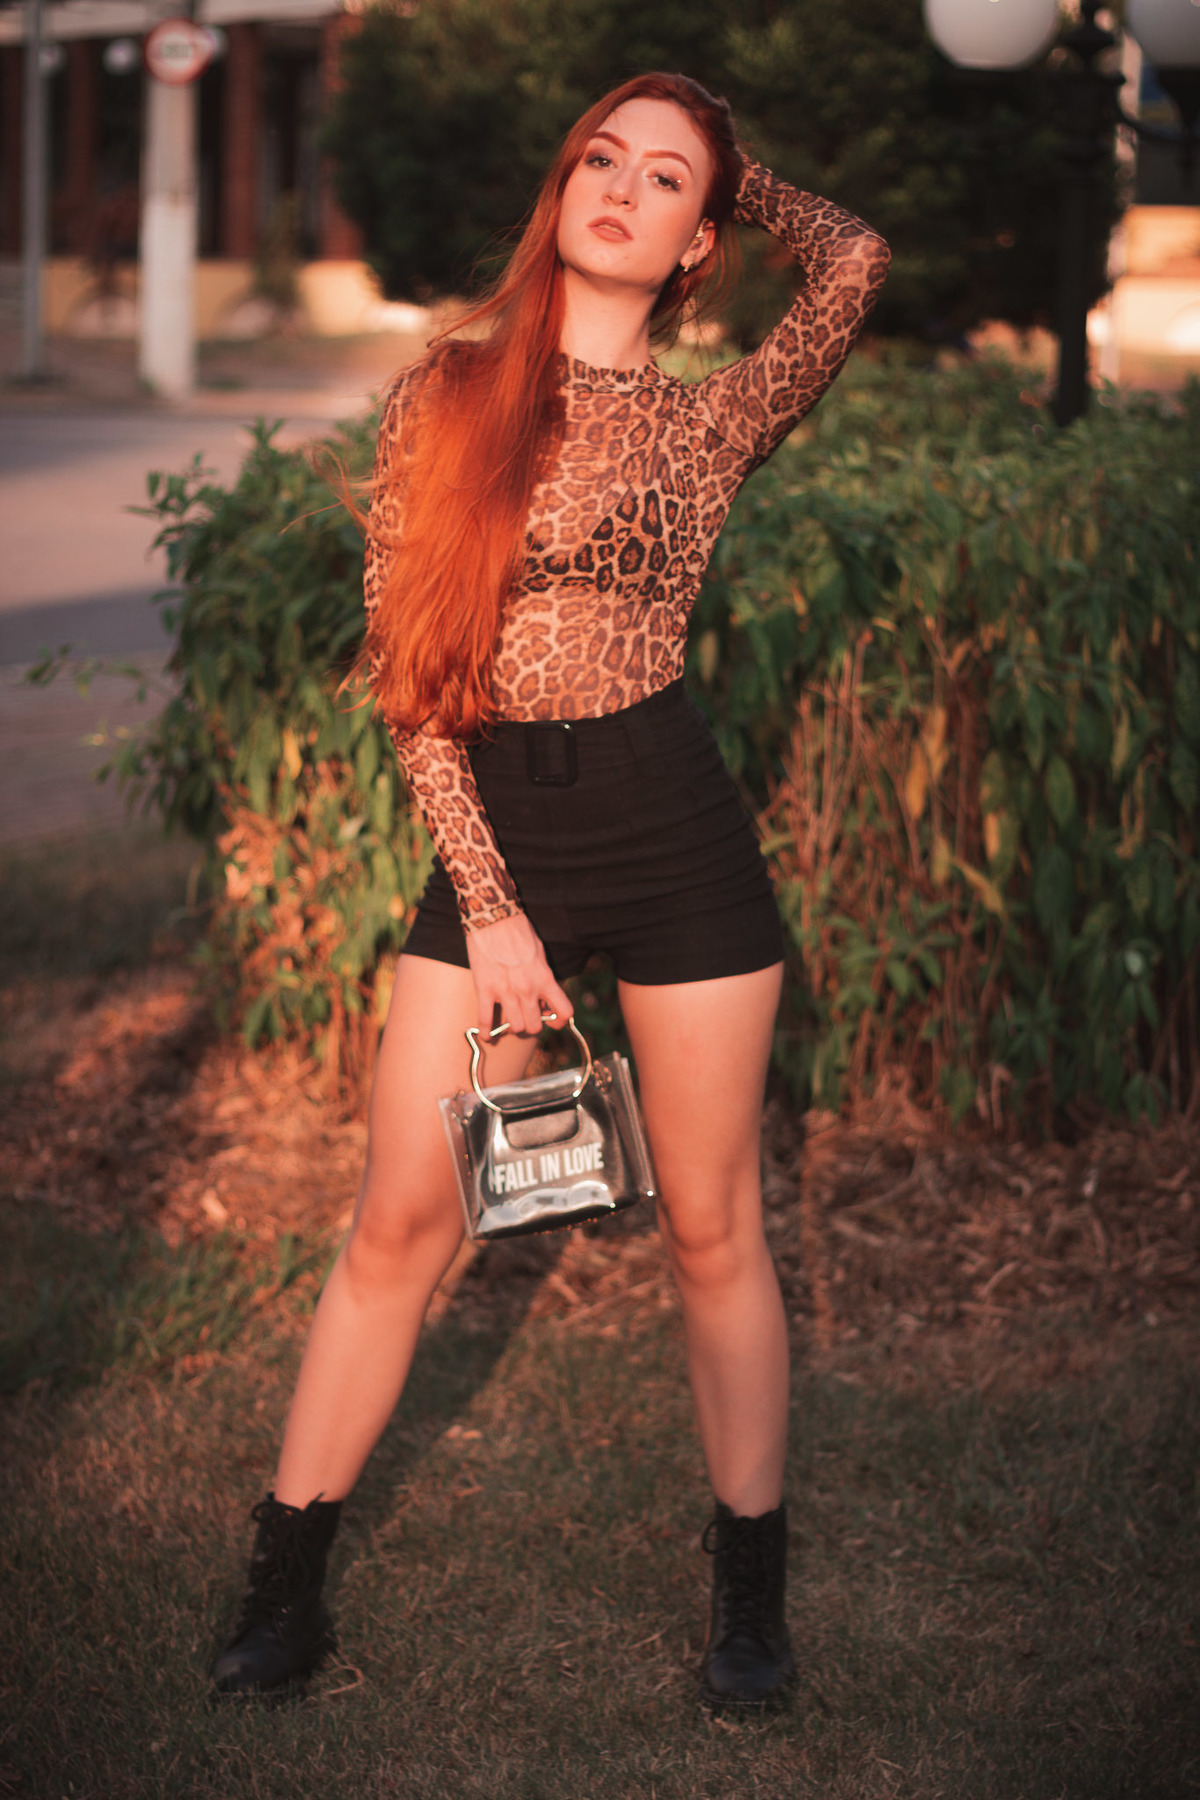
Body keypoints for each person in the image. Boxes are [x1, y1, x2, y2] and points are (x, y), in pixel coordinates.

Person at [211, 70, 889, 1715]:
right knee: (399, 1225)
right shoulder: (447, 392)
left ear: (693, 244)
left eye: (664, 184)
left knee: (716, 1226)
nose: (622, 190)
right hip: (493, 835)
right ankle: (285, 1581)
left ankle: (750, 1600)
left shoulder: (717, 415)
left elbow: (857, 262)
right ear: (558, 186)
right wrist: (495, 911)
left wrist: (739, 162)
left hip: (673, 825)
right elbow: (409, 676)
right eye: (602, 158)